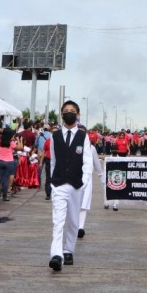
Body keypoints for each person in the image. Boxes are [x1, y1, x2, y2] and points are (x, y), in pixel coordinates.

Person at [48, 100, 93, 272]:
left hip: (76, 184)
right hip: (59, 184)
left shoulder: (83, 136)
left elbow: (87, 161)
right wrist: (52, 180)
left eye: (72, 110)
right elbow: (53, 160)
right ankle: (56, 254)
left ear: (78, 115)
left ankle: (68, 250)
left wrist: (85, 182)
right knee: (58, 220)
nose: (69, 113)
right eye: (65, 110)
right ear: (61, 114)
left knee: (73, 220)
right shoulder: (55, 136)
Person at [77, 141, 104, 239]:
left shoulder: (91, 148)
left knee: (83, 204)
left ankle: (80, 227)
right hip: (72, 178)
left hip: (86, 179)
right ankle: (75, 226)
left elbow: (96, 163)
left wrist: (101, 177)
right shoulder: (70, 144)